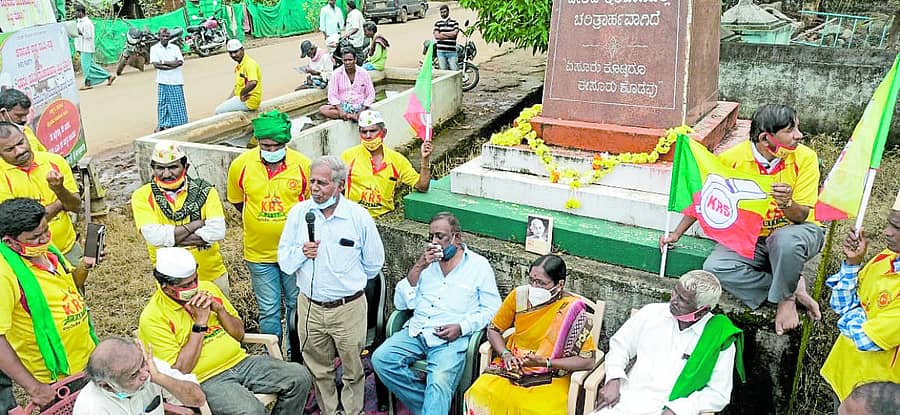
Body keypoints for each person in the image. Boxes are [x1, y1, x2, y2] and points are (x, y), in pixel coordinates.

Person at [660, 104, 824, 335]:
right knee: (716, 267)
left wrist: (786, 203)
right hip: (752, 238)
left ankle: (785, 300)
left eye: (797, 128)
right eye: (790, 130)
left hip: (797, 231)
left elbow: (801, 216)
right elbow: (705, 198)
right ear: (766, 138)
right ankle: (791, 285)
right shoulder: (733, 160)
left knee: (784, 241)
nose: (799, 135)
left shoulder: (805, 158)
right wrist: (676, 233)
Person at [139, 247, 312, 415]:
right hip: (207, 378)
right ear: (165, 286)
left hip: (241, 362)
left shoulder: (208, 288)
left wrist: (220, 311)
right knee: (250, 410)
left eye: (195, 280)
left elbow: (239, 334)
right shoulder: (153, 317)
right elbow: (180, 371)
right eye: (186, 285)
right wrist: (200, 323)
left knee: (299, 377)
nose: (194, 287)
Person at [278, 155, 385, 415]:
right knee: (319, 368)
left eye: (322, 183)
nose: (315, 188)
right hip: (310, 307)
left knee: (353, 369)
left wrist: (345, 281)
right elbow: (284, 262)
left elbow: (374, 264)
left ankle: (352, 411)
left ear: (340, 185)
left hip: (348, 308)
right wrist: (302, 252)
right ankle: (328, 410)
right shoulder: (299, 214)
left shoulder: (358, 218)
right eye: (312, 181)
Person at [372, 212, 501, 414]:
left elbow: (493, 309)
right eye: (431, 236)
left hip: (451, 339)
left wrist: (462, 327)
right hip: (417, 331)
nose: (434, 242)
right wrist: (418, 266)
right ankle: (433, 408)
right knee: (381, 359)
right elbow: (400, 303)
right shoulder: (426, 265)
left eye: (440, 236)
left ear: (456, 237)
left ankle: (435, 407)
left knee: (439, 381)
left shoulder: (478, 266)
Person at [592, 270, 743, 415]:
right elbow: (620, 346)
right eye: (675, 291)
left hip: (667, 409)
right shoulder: (651, 313)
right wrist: (614, 378)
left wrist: (679, 409)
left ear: (702, 310)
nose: (673, 300)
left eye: (682, 300)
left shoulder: (718, 338)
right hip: (623, 401)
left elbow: (718, 393)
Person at [0, 198, 100, 410]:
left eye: (46, 230)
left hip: (87, 360)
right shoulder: (4, 274)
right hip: (57, 380)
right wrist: (35, 388)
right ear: (10, 242)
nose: (45, 238)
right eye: (35, 237)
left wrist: (85, 266)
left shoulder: (45, 248)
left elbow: (69, 285)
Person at [464, 254, 595, 415]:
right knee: (479, 393)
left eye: (541, 283)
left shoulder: (571, 310)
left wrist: (546, 363)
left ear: (559, 284)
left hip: (553, 373)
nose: (534, 286)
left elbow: (588, 361)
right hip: (512, 365)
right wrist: (505, 354)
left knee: (537, 410)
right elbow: (494, 329)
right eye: (531, 280)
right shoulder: (519, 296)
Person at [227, 110, 311, 358]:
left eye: (277, 145)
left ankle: (296, 353)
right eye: (266, 145)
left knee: (296, 307)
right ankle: (274, 358)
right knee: (269, 310)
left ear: (286, 143)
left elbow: (310, 207)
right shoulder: (240, 166)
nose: (272, 149)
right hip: (258, 254)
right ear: (257, 142)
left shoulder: (303, 165)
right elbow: (238, 202)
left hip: (294, 254)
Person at [820, 190, 900, 402]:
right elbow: (839, 304)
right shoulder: (887, 257)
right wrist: (852, 264)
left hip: (877, 398)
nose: (887, 232)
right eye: (889, 223)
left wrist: (853, 314)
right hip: (843, 373)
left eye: (897, 227)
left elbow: (865, 339)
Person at [130, 141, 230, 295]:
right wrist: (194, 225)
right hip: (171, 282)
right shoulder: (142, 196)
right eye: (160, 168)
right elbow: (154, 237)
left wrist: (168, 240)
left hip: (211, 275)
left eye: (173, 167)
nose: (166, 174)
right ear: (153, 168)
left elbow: (217, 231)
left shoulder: (206, 191)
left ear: (186, 167)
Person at [0, 122, 83, 265]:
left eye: (20, 142)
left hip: (68, 249)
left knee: (76, 285)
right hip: (31, 260)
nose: (19, 151)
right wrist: (59, 203)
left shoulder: (54, 161)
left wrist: (60, 190)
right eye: (10, 149)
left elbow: (75, 206)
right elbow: (23, 224)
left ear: (26, 136)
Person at [73, 336, 206, 415]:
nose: (145, 374)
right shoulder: (92, 408)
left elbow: (198, 399)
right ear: (107, 386)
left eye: (142, 363)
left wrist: (160, 378)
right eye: (133, 375)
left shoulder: (148, 367)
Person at [340, 110, 431, 218]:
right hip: (353, 217)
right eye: (364, 132)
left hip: (383, 218)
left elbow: (422, 186)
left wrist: (425, 159)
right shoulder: (348, 156)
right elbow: (337, 187)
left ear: (384, 132)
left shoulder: (397, 160)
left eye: (372, 131)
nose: (368, 136)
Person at [319, 49, 375, 122]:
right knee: (323, 109)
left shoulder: (363, 73)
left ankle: (355, 115)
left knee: (371, 112)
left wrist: (362, 109)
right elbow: (332, 95)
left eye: (350, 60)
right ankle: (351, 116)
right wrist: (340, 110)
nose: (347, 62)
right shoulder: (336, 73)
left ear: (355, 60)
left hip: (360, 105)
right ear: (342, 60)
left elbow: (371, 94)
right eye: (345, 60)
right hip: (343, 106)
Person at [149, 28, 187, 132]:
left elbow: (180, 62)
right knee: (163, 103)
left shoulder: (175, 48)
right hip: (162, 81)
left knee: (177, 104)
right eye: (163, 36)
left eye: (167, 36)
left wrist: (164, 62)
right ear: (159, 37)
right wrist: (171, 64)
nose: (165, 38)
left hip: (176, 80)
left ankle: (179, 124)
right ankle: (163, 123)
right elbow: (156, 65)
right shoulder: (154, 49)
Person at [74, 4, 115, 90]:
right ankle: (108, 76)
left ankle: (88, 83)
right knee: (90, 66)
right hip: (82, 47)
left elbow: (89, 35)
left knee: (86, 67)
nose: (75, 13)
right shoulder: (79, 21)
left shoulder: (87, 23)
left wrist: (79, 32)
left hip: (86, 48)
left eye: (77, 12)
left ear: (81, 12)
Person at [215, 39, 262, 114]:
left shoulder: (249, 64)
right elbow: (236, 87)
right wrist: (228, 101)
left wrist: (242, 93)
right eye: (231, 53)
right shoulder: (239, 66)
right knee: (223, 106)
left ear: (242, 50)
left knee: (218, 111)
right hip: (242, 99)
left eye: (236, 52)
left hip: (249, 101)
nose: (233, 55)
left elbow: (253, 82)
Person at [433, 5, 460, 71]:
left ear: (448, 12)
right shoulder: (437, 24)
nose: (443, 14)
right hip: (441, 52)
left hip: (452, 52)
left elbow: (454, 34)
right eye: (441, 12)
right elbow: (437, 36)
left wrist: (442, 34)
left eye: (444, 12)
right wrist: (449, 34)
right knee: (443, 72)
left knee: (454, 71)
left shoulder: (454, 23)